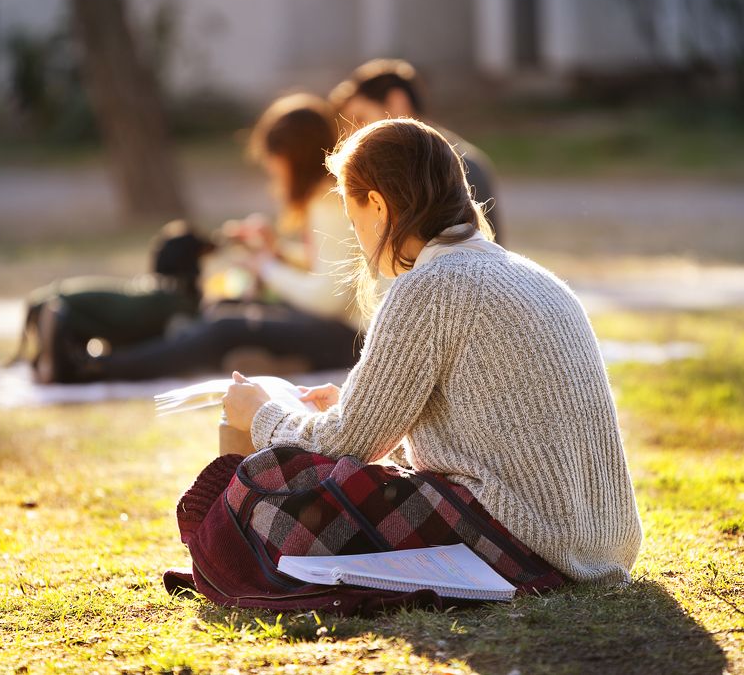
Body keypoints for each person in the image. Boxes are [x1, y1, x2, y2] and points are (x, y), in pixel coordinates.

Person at [223, 118, 642, 584]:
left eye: (352, 217)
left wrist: (262, 414)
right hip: (602, 540)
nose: (357, 235)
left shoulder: (431, 286)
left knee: (267, 478)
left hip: (531, 544)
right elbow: (486, 434)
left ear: (378, 206)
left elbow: (344, 444)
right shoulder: (534, 276)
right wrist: (351, 406)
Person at [61, 94, 362, 382]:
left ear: (292, 158)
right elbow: (335, 270)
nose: (272, 171)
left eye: (274, 161)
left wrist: (265, 266)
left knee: (224, 328)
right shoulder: (324, 201)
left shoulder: (327, 206)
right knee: (223, 310)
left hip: (347, 338)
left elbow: (328, 300)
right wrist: (277, 252)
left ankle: (95, 368)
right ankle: (114, 358)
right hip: (337, 330)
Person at [330, 58, 505, 244]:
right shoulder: (380, 171)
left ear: (397, 103)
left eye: (359, 119)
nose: (352, 135)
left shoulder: (461, 166)